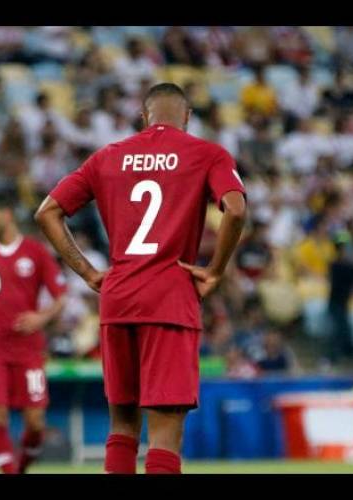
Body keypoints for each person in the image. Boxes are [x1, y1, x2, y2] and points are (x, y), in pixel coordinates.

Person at [35, 82, 246, 474]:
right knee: (165, 434)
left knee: (122, 426)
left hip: (118, 299)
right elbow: (235, 209)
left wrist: (88, 273)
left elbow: (47, 212)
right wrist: (215, 270)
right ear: (186, 117)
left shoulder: (108, 157)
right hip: (169, 298)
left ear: (143, 116)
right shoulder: (206, 153)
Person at [0, 192, 68, 474]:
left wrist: (41, 317)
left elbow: (61, 298)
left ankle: (22, 467)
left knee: (35, 422)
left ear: (7, 213)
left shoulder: (36, 252)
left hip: (29, 349)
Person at [327, 233, 353, 365]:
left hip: (342, 302)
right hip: (336, 302)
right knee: (339, 330)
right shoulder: (336, 265)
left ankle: (347, 355)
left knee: (344, 329)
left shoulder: (348, 265)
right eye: (345, 248)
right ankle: (335, 358)